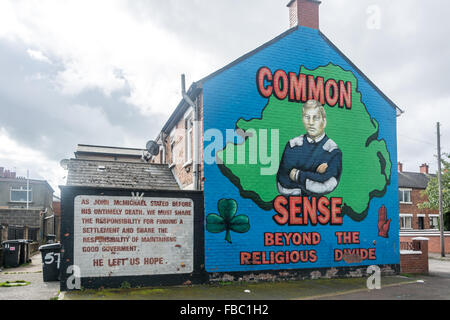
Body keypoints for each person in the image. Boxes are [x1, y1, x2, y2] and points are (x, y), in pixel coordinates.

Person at [276, 100, 342, 197]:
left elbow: (327, 186)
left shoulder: (332, 151)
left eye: (315, 118)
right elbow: (283, 183)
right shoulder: (293, 145)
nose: (310, 123)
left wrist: (297, 175)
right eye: (307, 117)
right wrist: (316, 176)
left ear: (324, 121)